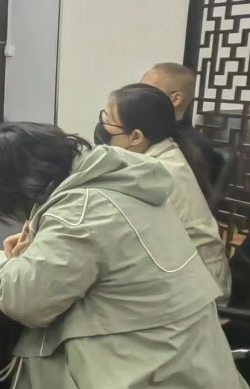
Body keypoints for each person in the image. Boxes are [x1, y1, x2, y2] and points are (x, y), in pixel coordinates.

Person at [0, 123, 250, 389]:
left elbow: (24, 300)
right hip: (194, 377)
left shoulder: (80, 213)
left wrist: (11, 262)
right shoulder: (123, 179)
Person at [97, 84, 226, 300]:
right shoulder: (165, 152)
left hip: (198, 292)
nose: (102, 127)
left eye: (107, 120)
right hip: (187, 274)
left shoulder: (154, 174)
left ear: (136, 137)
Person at [141, 62, 219, 171]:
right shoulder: (140, 129)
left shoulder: (192, 145)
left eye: (146, 91)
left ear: (176, 99)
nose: (136, 96)